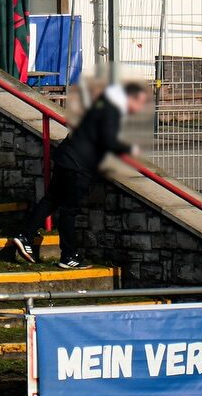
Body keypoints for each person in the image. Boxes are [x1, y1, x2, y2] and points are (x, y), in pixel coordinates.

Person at [12, 81, 151, 271]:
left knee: (51, 199)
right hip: (78, 165)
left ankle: (25, 235)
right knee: (69, 210)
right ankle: (68, 255)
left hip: (66, 157)